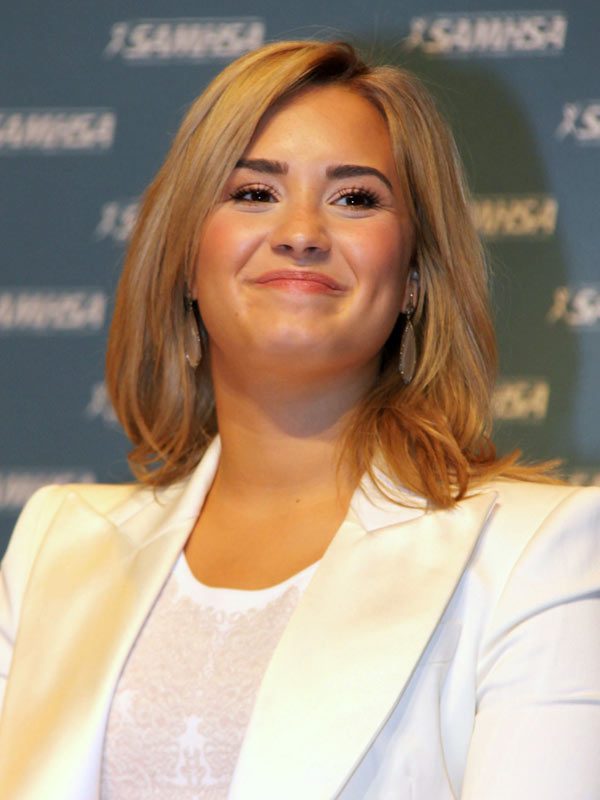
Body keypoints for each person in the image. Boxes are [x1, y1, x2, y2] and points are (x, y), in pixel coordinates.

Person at [0, 39, 599, 800]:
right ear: (185, 261)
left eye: (356, 199)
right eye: (255, 193)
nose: (302, 232)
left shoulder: (536, 554)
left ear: (414, 277)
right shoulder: (54, 543)